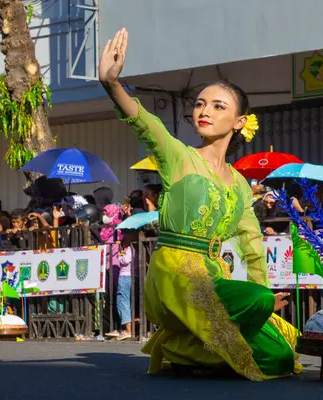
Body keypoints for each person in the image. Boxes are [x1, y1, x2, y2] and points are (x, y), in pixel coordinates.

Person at [99, 28, 298, 380]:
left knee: (280, 357)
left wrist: (261, 292)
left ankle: (194, 354)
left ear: (239, 123)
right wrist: (113, 84)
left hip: (212, 274)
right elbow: (147, 124)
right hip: (175, 275)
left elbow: (252, 245)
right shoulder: (179, 157)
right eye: (200, 104)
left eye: (218, 106)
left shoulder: (239, 184)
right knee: (257, 308)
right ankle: (179, 347)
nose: (204, 111)